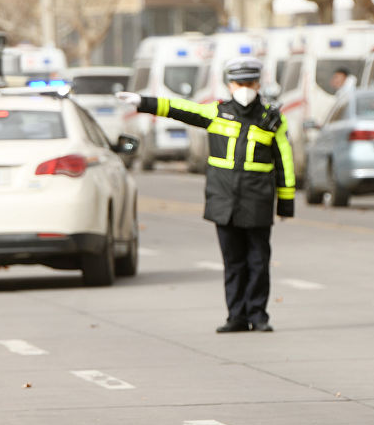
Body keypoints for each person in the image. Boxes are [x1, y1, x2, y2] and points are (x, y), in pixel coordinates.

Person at [117, 57, 295, 333]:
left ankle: (258, 315)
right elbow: (179, 108)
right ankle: (236, 315)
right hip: (224, 200)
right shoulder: (217, 113)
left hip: (257, 200)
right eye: (239, 83)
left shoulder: (271, 119)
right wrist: (143, 102)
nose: (244, 88)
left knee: (258, 261)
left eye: (249, 83)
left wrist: (286, 203)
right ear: (229, 85)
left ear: (258, 84)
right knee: (233, 262)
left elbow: (285, 160)